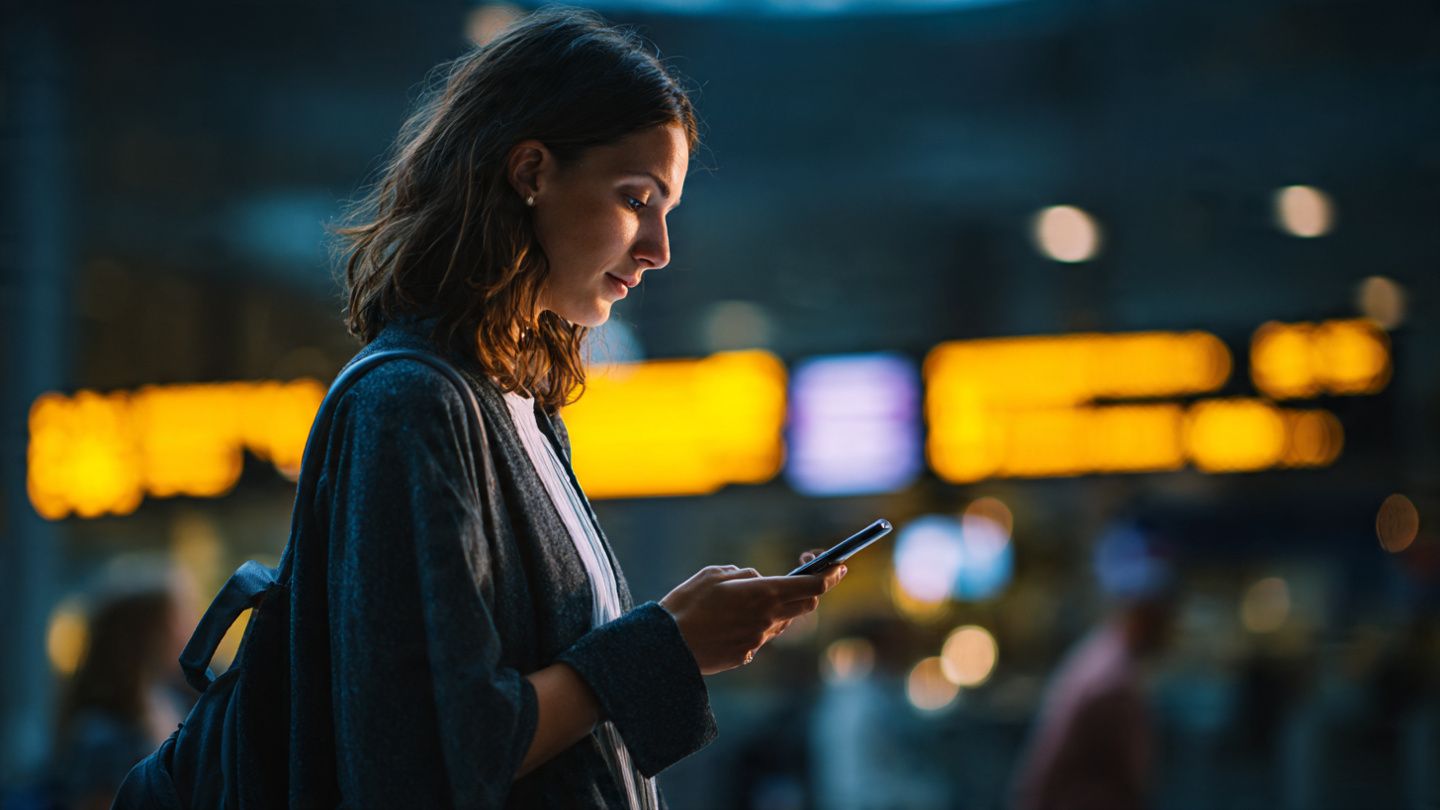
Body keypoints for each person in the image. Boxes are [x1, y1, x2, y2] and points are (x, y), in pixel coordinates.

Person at [305, 7, 847, 808]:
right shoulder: (410, 404)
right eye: (637, 199)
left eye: (667, 210)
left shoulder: (519, 404)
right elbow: (429, 752)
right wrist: (666, 644)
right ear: (531, 173)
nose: (659, 247)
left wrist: (671, 639)